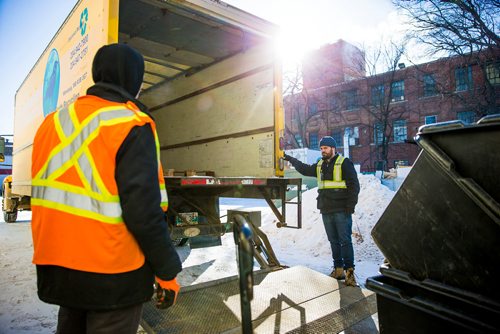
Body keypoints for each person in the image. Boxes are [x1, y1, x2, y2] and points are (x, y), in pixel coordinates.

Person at [31, 43, 182, 333]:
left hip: (58, 269)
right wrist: (167, 271)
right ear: (133, 80)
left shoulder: (52, 124)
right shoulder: (130, 123)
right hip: (112, 274)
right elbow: (143, 212)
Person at [283, 136, 360, 286]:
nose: (323, 151)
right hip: (326, 209)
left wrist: (350, 206)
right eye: (321, 148)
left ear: (333, 148)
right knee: (333, 241)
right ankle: (338, 270)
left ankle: (349, 273)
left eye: (325, 148)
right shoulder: (320, 165)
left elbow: (354, 186)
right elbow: (305, 169)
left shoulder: (344, 163)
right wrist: (290, 159)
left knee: (345, 241)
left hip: (341, 210)